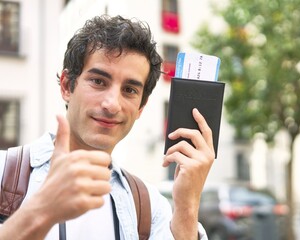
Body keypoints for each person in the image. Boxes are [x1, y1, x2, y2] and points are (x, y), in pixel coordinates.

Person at [0, 15, 215, 239]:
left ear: (141, 107)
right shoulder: (4, 173)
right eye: (98, 81)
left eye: (130, 90)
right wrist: (41, 210)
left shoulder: (150, 207)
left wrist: (187, 205)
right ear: (66, 85)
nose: (112, 104)